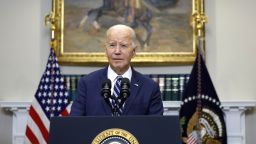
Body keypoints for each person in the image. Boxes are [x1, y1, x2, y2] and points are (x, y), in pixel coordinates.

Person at [70, 24, 163, 116]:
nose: (117, 51)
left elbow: (155, 127)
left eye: (123, 45)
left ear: (134, 52)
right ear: (105, 50)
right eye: (112, 45)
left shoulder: (150, 87)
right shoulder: (87, 83)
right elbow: (75, 124)